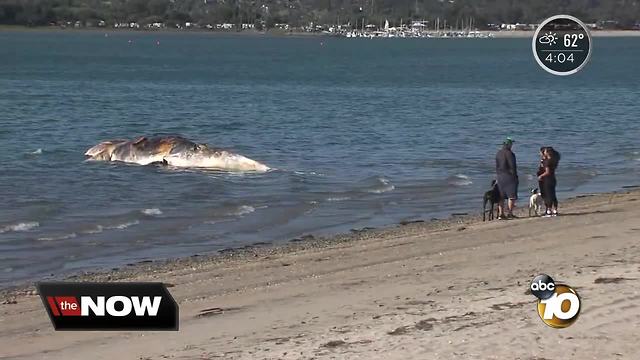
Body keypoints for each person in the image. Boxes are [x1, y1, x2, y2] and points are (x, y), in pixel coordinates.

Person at [495, 137, 518, 220]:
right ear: (508, 144)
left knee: (501, 196)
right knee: (511, 196)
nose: (512, 145)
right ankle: (510, 213)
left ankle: (501, 214)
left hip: (500, 176)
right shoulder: (510, 154)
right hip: (509, 176)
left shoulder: (498, 153)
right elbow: (513, 166)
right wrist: (515, 176)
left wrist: (497, 176)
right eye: (511, 143)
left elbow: (497, 166)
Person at [538, 147, 560, 217]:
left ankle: (549, 210)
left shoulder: (547, 162)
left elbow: (547, 172)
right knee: (553, 194)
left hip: (547, 179)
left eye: (545, 151)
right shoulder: (553, 160)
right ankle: (555, 210)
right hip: (552, 179)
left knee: (548, 195)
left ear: (547, 153)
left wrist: (541, 176)